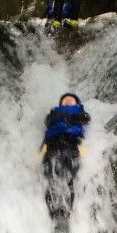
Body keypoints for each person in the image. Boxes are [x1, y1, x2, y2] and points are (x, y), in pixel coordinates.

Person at [40, 93, 90, 224]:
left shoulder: (80, 114)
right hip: (53, 148)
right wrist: (40, 153)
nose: (68, 100)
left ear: (77, 104)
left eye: (71, 100)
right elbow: (46, 134)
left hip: (71, 148)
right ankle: (53, 212)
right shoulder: (53, 116)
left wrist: (84, 148)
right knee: (51, 178)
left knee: (70, 178)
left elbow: (85, 122)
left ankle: (66, 211)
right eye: (65, 100)